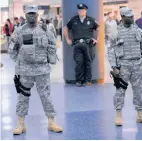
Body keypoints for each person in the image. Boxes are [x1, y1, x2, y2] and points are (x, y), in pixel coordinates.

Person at [8, 5, 63, 135]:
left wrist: (49, 60)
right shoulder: (19, 31)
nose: (31, 16)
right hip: (25, 71)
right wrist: (21, 62)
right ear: (25, 15)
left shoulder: (45, 30)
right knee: (22, 97)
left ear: (37, 15)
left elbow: (51, 46)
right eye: (29, 14)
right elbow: (11, 50)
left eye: (33, 13)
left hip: (42, 70)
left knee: (46, 96)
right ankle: (21, 124)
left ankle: (51, 122)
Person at [108, 7, 142, 126]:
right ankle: (118, 115)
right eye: (129, 16)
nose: (132, 18)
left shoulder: (138, 31)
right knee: (120, 91)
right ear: (122, 17)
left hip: (137, 65)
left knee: (139, 90)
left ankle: (140, 114)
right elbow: (111, 50)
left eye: (132, 16)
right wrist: (114, 67)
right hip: (123, 66)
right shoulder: (115, 32)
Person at [64, 3, 99, 87]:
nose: (80, 11)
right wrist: (67, 39)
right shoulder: (74, 19)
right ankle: (79, 80)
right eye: (79, 10)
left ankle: (88, 80)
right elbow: (65, 28)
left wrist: (97, 40)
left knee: (88, 62)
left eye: (82, 10)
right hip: (77, 44)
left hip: (88, 44)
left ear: (85, 10)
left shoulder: (91, 20)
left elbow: (99, 28)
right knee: (79, 63)